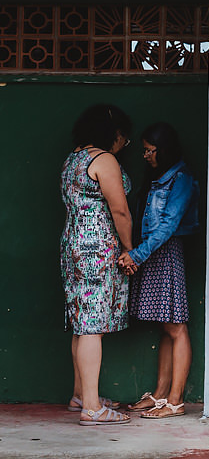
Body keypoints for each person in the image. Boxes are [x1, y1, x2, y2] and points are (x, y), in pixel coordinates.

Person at [118, 122, 200, 419]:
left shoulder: (180, 178)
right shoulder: (158, 178)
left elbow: (168, 224)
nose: (145, 156)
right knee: (165, 326)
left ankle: (175, 401)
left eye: (149, 150)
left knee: (176, 326)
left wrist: (136, 255)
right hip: (153, 252)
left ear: (163, 150)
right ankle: (161, 394)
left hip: (165, 252)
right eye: (144, 150)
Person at [60, 104, 134, 426]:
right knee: (92, 325)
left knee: (81, 321)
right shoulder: (104, 160)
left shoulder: (73, 159)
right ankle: (92, 407)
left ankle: (80, 394)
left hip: (73, 244)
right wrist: (130, 249)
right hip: (97, 248)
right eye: (123, 137)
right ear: (112, 133)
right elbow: (120, 211)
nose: (123, 143)